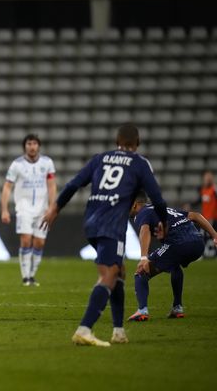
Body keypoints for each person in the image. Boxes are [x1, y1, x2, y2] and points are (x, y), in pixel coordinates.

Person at [41, 124, 167, 347]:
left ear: (116, 141)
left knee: (119, 271)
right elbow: (156, 197)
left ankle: (118, 331)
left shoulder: (100, 158)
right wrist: (163, 222)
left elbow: (73, 184)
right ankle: (84, 328)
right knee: (109, 274)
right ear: (137, 144)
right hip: (112, 224)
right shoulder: (139, 163)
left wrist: (55, 208)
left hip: (91, 221)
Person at [128, 191, 217, 321]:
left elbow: (144, 230)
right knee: (174, 266)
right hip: (198, 243)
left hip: (178, 243)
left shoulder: (143, 213)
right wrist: (215, 235)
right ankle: (177, 307)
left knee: (141, 272)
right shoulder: (164, 209)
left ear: (135, 204)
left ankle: (142, 311)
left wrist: (143, 258)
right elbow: (196, 216)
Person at [1, 134, 57, 286]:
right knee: (26, 240)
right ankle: (26, 276)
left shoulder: (47, 163)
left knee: (39, 242)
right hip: (23, 208)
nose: (32, 146)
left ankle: (32, 275)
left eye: (34, 143)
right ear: (24, 146)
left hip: (42, 209)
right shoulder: (17, 165)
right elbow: (7, 187)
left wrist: (52, 207)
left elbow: (52, 185)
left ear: (38, 146)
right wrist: (4, 210)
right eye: (29, 143)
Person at [195, 170, 217, 256]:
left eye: (209, 177)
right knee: (203, 237)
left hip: (214, 218)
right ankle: (202, 254)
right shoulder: (202, 190)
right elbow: (199, 201)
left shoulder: (214, 190)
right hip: (205, 218)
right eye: (206, 177)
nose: (208, 179)